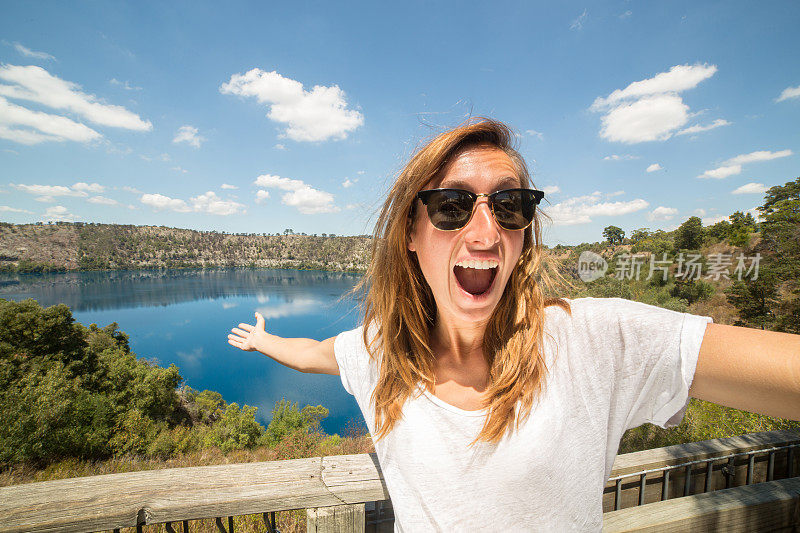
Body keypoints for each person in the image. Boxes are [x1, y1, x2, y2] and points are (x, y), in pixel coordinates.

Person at [228, 118, 800, 531]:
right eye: (451, 206)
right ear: (409, 234)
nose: (483, 234)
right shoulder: (382, 351)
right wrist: (263, 340)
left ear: (525, 234)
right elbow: (316, 353)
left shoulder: (594, 342)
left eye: (510, 206)